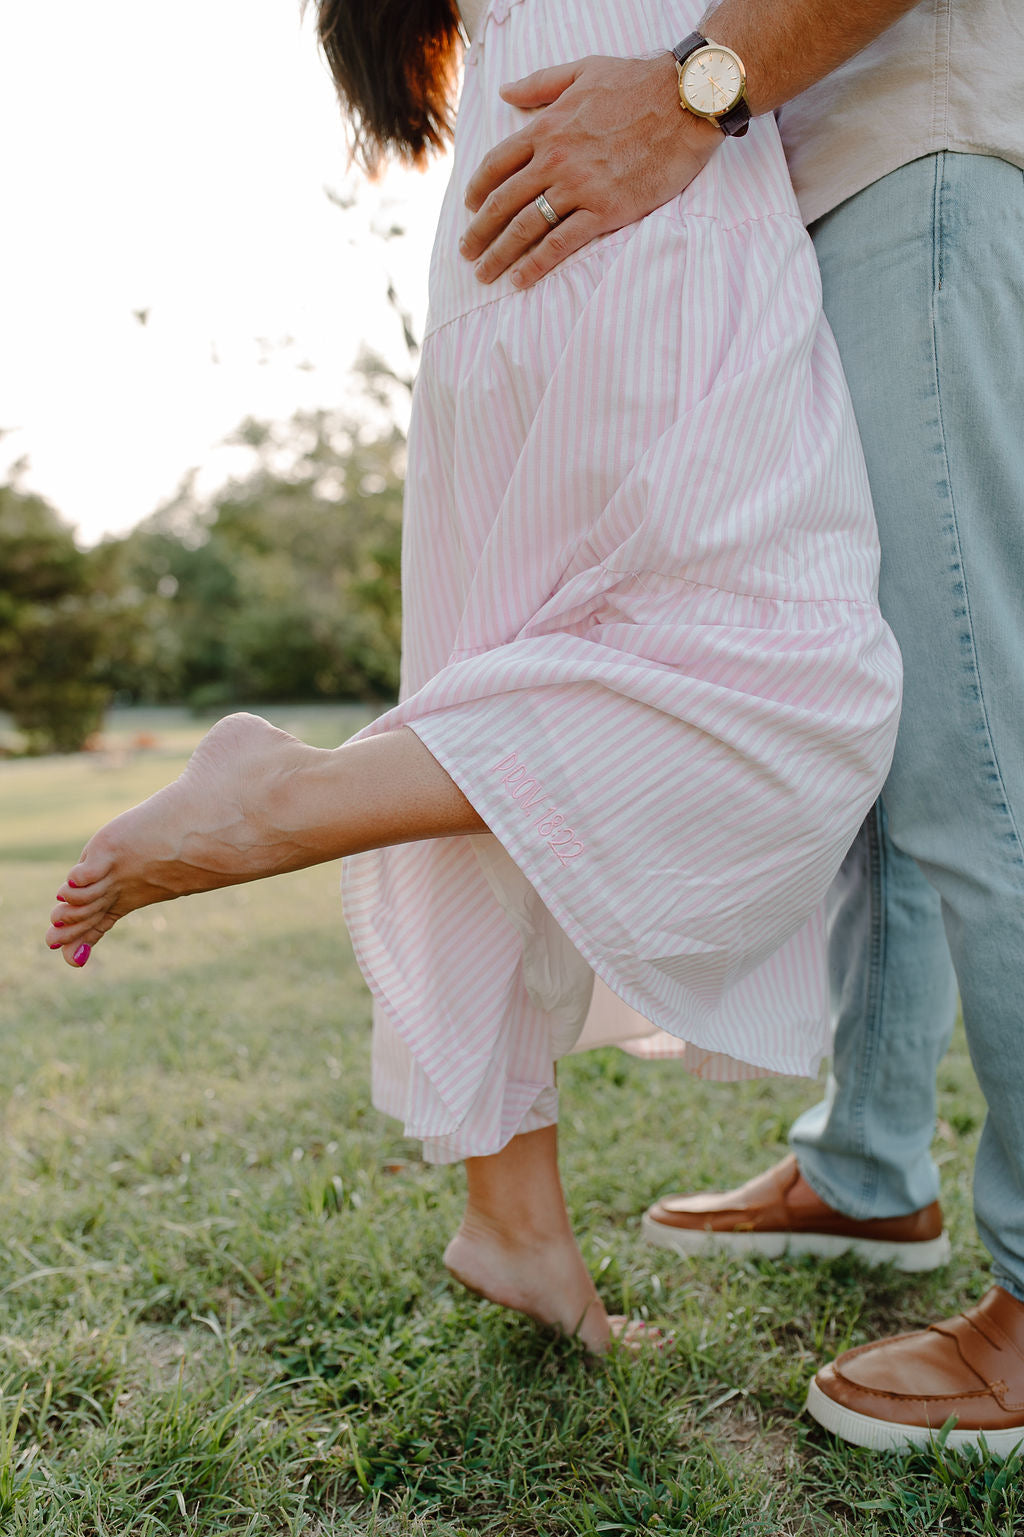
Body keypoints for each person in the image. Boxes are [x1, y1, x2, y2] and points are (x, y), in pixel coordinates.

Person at [44, 0, 901, 1357]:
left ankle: (517, 1221)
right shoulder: (660, 114)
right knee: (797, 686)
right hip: (639, 168)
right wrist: (695, 97)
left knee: (488, 701)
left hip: (522, 205)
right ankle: (286, 798)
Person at [455, 0, 1024, 1448]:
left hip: (919, 154)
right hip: (810, 180)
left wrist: (695, 89)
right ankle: (871, 1161)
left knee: (979, 750)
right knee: (880, 726)